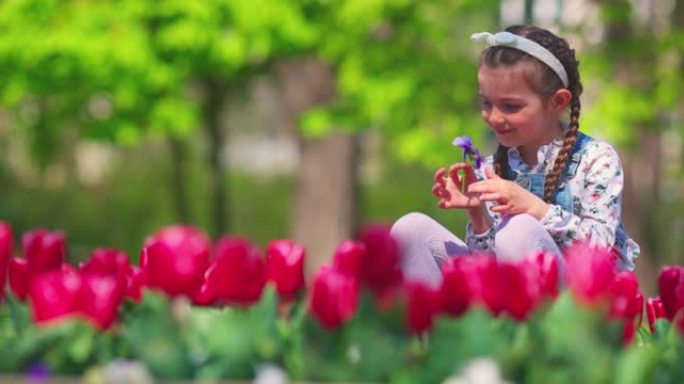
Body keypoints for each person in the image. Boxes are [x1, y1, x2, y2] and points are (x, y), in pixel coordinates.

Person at [390, 25, 639, 288]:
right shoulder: (493, 168)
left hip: (578, 302)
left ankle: (530, 331)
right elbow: (490, 270)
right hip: (512, 301)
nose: (494, 117)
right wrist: (478, 216)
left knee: (518, 229)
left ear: (558, 102)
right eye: (486, 103)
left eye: (511, 106)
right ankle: (434, 327)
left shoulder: (595, 159)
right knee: (409, 229)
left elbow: (601, 250)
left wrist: (536, 209)